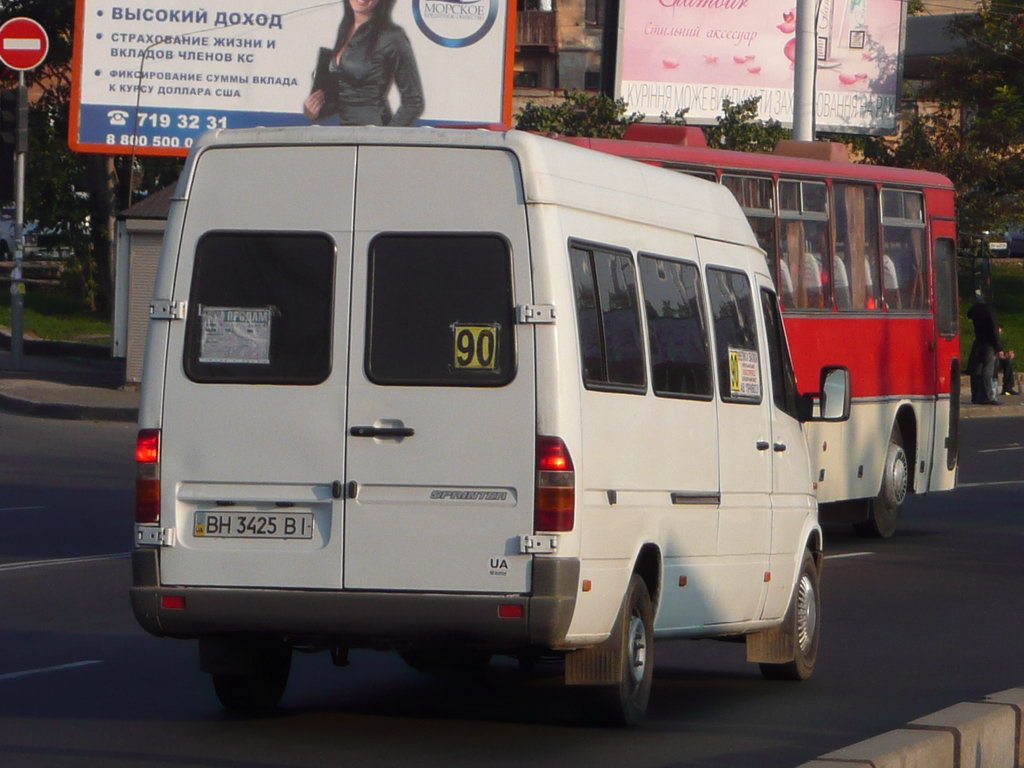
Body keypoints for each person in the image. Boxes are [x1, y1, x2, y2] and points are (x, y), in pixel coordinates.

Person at [302, 0, 424, 127]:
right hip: (345, 132)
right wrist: (315, 109)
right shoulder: (345, 29)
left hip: (373, 133)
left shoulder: (392, 36)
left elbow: (413, 101)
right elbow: (346, 93)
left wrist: (385, 139)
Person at [966, 300, 1000, 404]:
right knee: (987, 371)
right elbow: (994, 330)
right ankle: (988, 396)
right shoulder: (990, 311)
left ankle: (976, 395)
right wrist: (998, 347)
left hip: (978, 341)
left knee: (977, 370)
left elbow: (968, 314)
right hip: (989, 344)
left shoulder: (976, 311)